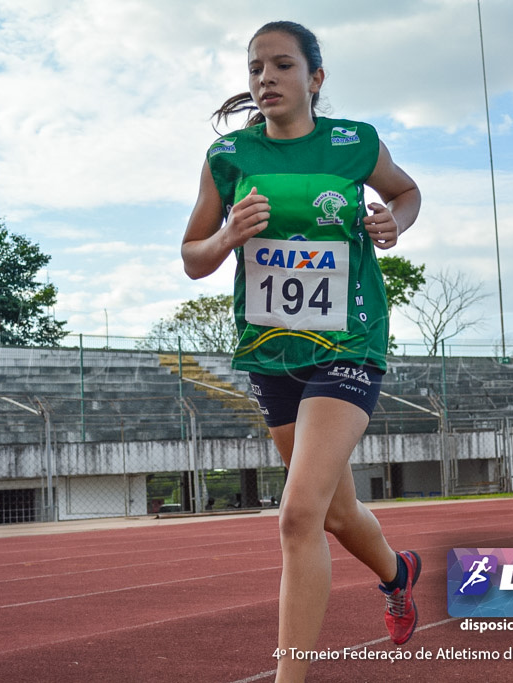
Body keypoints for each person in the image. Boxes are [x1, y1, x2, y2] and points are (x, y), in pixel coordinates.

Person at [180, 20, 422, 682]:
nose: (265, 79)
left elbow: (405, 192)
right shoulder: (228, 158)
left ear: (315, 78)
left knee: (297, 516)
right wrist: (228, 234)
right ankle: (399, 574)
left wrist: (389, 223)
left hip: (349, 341)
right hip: (269, 352)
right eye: (256, 68)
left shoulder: (353, 144)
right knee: (336, 511)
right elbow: (191, 256)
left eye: (282, 66)